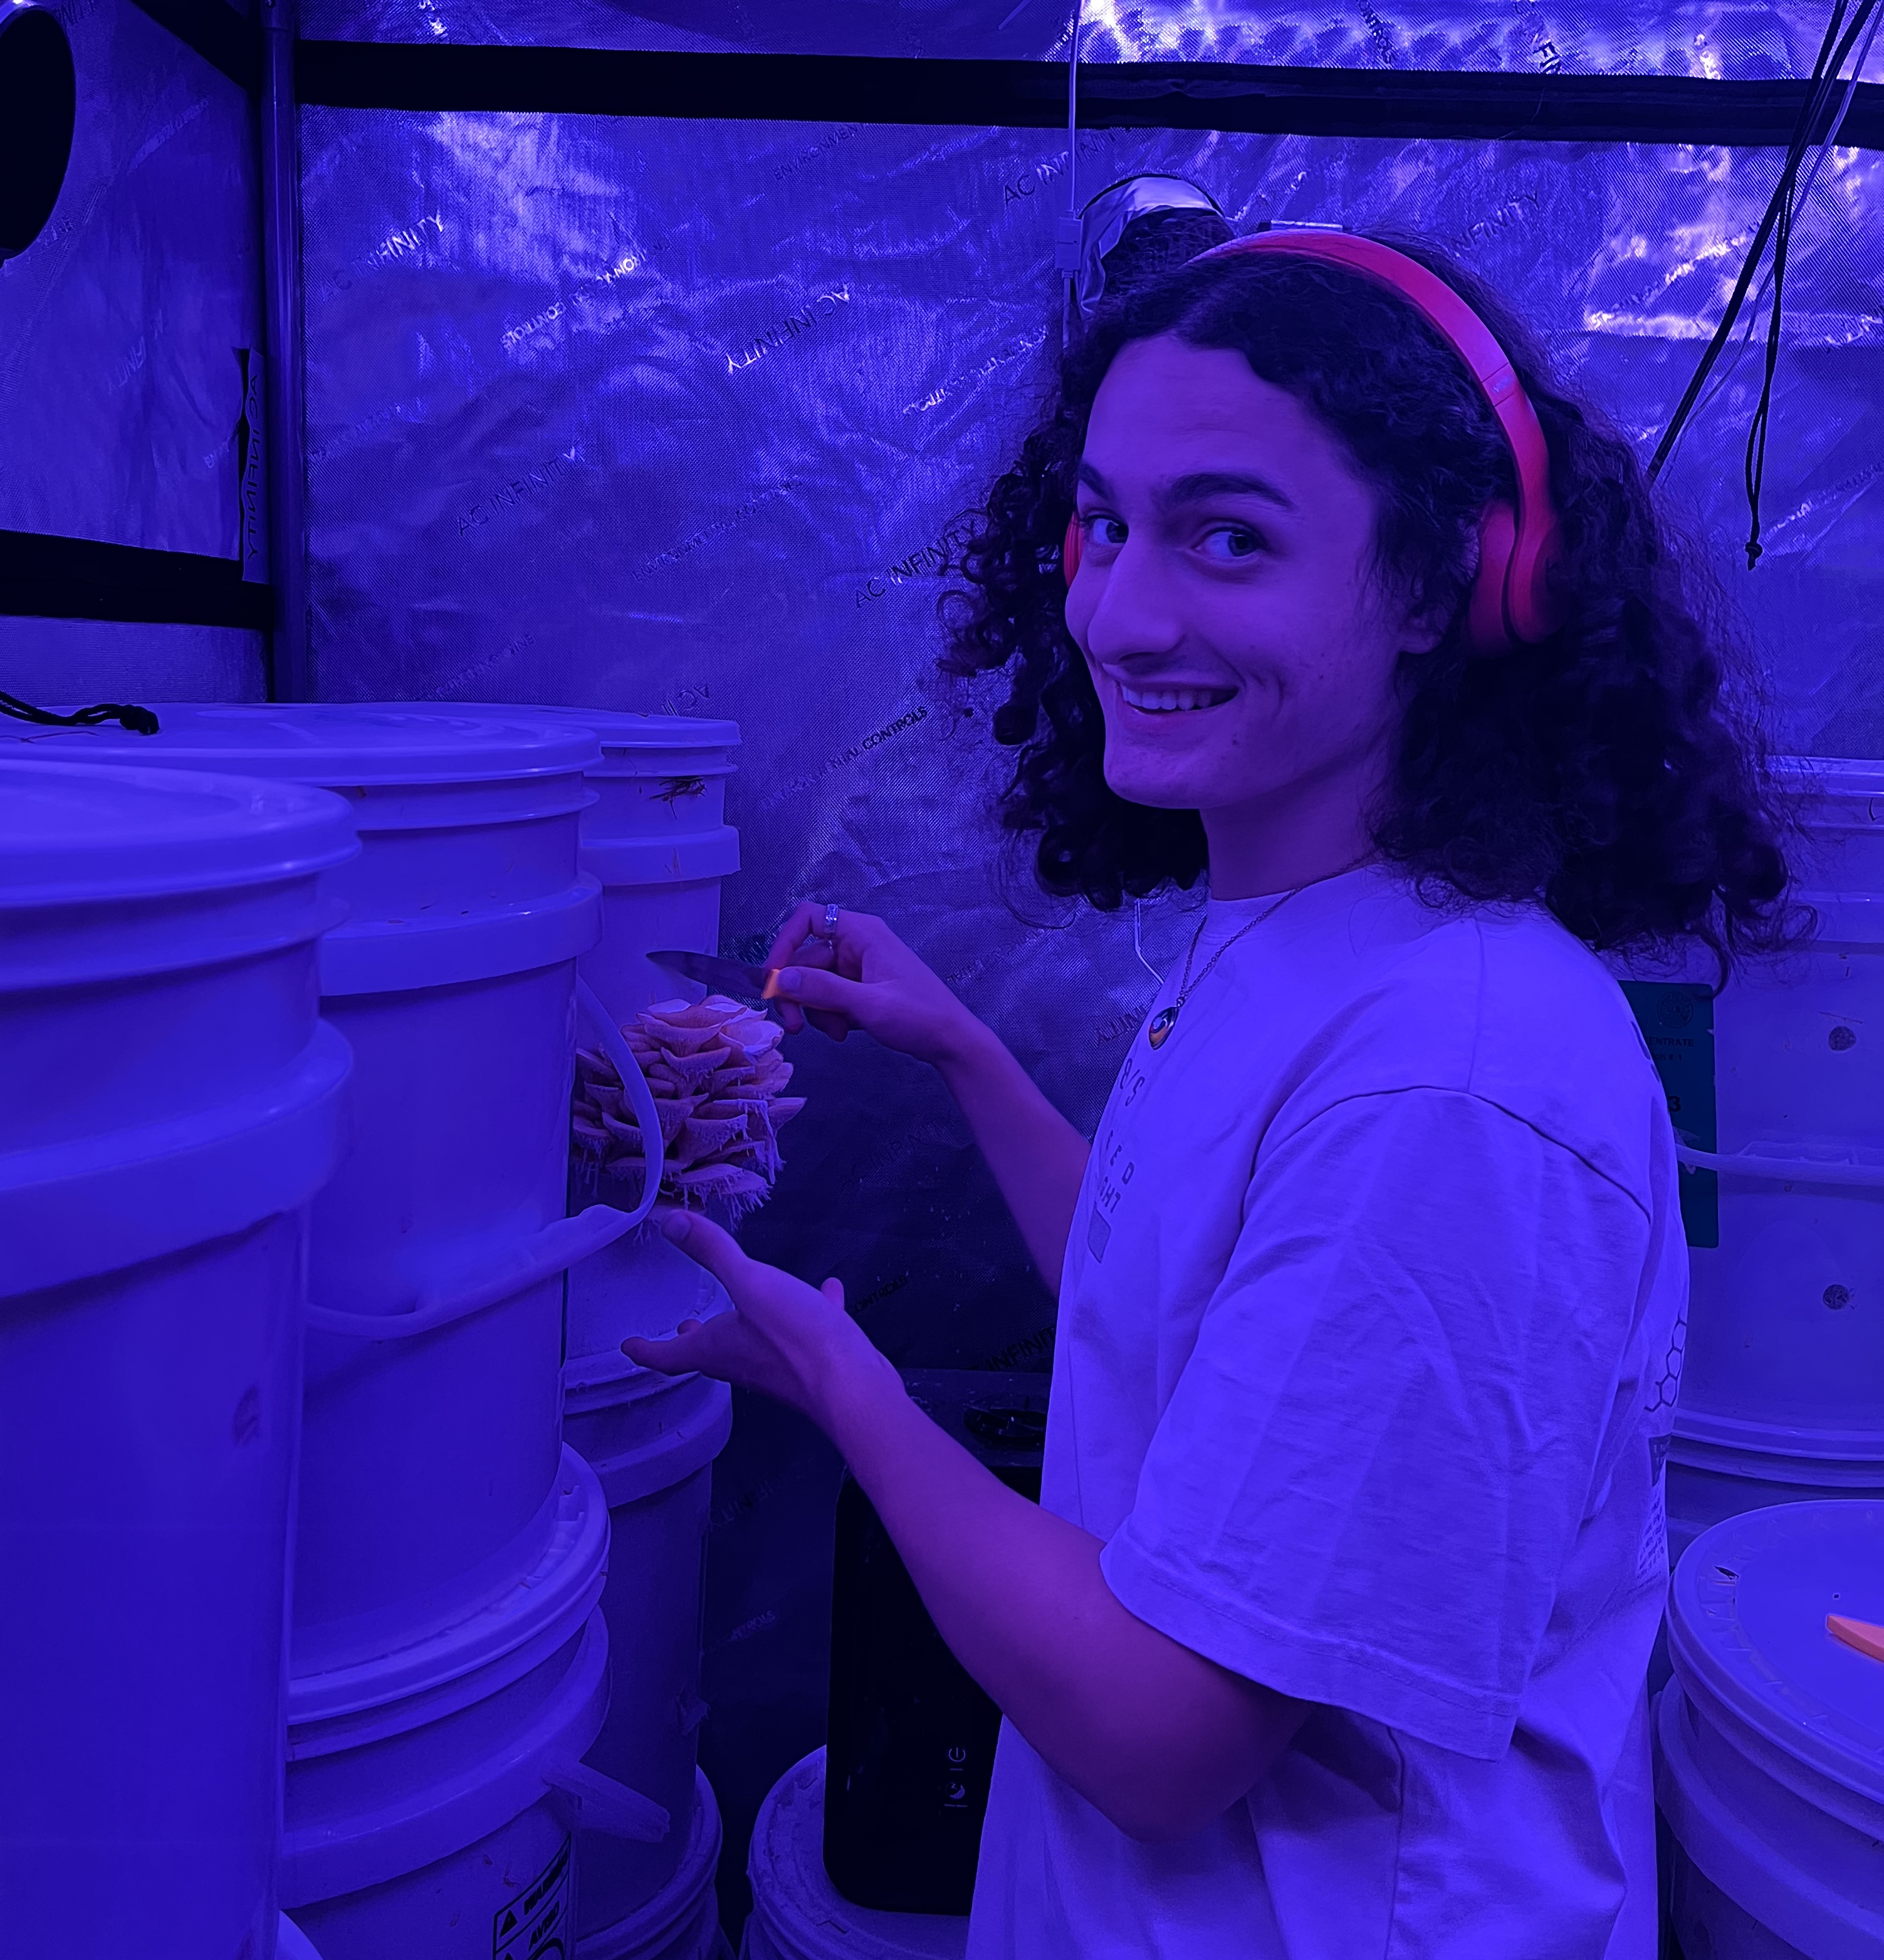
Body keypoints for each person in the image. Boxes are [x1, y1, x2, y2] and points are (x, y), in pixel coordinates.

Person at [624, 228, 1791, 1957]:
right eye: (1103, 523)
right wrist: (967, 1053)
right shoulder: (1314, 929)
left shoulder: (1451, 1086)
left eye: (1227, 537)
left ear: (1438, 589)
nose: (1120, 610)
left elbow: (1165, 1732)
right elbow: (1180, 1286)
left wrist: (847, 1387)